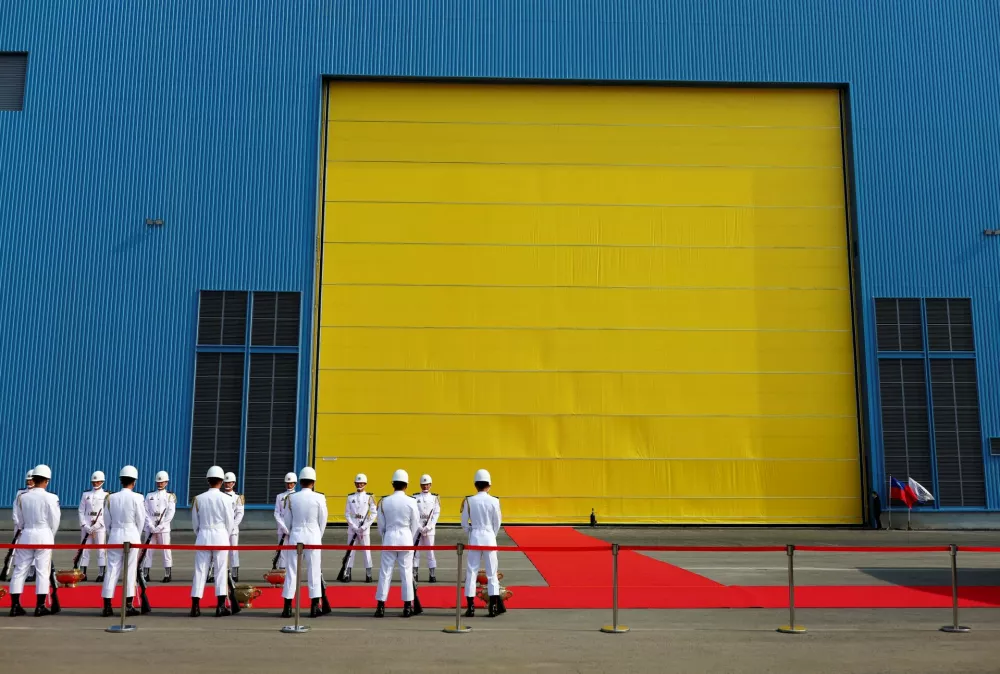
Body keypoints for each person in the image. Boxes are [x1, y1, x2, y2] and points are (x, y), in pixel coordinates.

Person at [8, 464, 60, 617]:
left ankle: (15, 605)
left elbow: (20, 521)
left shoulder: (22, 497)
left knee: (19, 570)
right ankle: (40, 606)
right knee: (42, 571)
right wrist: (51, 535)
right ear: (46, 480)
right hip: (44, 534)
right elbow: (54, 521)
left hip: (26, 534)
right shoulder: (51, 497)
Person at [280, 467, 328, 619]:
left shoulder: (291, 498)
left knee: (292, 571)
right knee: (314, 571)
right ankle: (314, 606)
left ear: (300, 482)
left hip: (296, 536)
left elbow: (287, 521)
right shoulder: (320, 498)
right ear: (313, 482)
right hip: (313, 535)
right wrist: (318, 535)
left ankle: (287, 607)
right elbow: (323, 520)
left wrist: (294, 531)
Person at [100, 466, 148, 617]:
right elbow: (141, 520)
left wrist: (112, 532)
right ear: (134, 482)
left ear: (121, 480)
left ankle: (107, 605)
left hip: (115, 535)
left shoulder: (110, 498)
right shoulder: (138, 498)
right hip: (131, 534)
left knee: (112, 569)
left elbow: (106, 520)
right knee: (130, 570)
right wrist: (136, 534)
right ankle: (128, 605)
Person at [374, 469, 420, 618]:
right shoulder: (412, 501)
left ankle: (381, 605)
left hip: (389, 537)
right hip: (406, 537)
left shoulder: (384, 501)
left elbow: (381, 525)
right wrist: (408, 536)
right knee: (406, 572)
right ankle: (407, 606)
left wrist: (386, 535)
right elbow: (415, 523)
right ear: (406, 485)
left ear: (393, 484)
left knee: (385, 572)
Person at [190, 466, 236, 617]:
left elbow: (195, 524)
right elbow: (230, 522)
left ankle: (195, 606)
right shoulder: (226, 499)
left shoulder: (198, 498)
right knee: (221, 570)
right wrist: (224, 533)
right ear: (222, 481)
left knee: (200, 571)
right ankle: (221, 606)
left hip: (203, 535)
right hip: (221, 535)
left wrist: (201, 532)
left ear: (208, 480)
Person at [461, 468, 504, 618]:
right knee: (492, 573)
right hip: (489, 537)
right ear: (489, 485)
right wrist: (492, 534)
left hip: (475, 537)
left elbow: (464, 523)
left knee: (471, 572)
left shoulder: (469, 500)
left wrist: (472, 533)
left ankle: (470, 607)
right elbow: (497, 523)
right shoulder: (495, 501)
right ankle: (492, 607)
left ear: (475, 484)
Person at [142, 471, 176, 582]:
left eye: (162, 482)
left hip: (163, 528)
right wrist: (151, 525)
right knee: (148, 551)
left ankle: (167, 574)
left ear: (166, 482)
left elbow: (170, 513)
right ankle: (146, 573)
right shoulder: (149, 495)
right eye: (158, 482)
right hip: (150, 527)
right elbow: (145, 511)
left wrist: (161, 526)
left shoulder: (170, 496)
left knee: (166, 550)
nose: (160, 484)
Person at [344, 473, 376, 583]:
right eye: (357, 483)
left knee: (366, 551)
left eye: (361, 483)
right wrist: (353, 526)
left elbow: (373, 514)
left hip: (364, 530)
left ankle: (368, 572)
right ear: (354, 483)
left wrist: (364, 527)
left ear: (365, 484)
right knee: (350, 552)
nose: (359, 484)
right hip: (352, 529)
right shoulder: (350, 497)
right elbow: (347, 514)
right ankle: (347, 572)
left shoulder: (370, 497)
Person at [78, 470, 107, 583]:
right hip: (86, 527)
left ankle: (101, 573)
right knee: (85, 550)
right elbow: (81, 510)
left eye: (97, 481)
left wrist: (97, 525)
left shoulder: (106, 495)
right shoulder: (86, 494)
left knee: (101, 550)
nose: (95, 483)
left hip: (99, 526)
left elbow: (106, 512)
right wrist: (85, 525)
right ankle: (83, 573)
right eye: (93, 482)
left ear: (102, 481)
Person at [6, 469, 34, 583]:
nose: (29, 482)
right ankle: (16, 572)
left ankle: (31, 573)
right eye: (27, 480)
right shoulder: (20, 493)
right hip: (19, 527)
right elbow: (15, 509)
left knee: (31, 549)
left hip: (30, 527)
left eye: (31, 480)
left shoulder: (37, 493)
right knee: (17, 550)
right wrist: (18, 523)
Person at [413, 474, 441, 583]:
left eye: (427, 484)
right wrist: (418, 526)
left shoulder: (435, 498)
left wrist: (429, 526)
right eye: (423, 485)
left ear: (430, 485)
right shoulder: (415, 497)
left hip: (429, 529)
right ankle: (415, 573)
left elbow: (436, 513)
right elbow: (414, 514)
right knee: (416, 552)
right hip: (417, 529)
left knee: (430, 552)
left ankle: (432, 574)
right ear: (420, 485)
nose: (425, 486)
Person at [221, 472, 245, 581]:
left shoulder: (238, 497)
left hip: (233, 529)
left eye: (229, 482)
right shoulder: (219, 496)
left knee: (233, 551)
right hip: (221, 528)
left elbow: (240, 513)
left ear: (234, 483)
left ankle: (235, 573)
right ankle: (219, 572)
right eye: (225, 482)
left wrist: (233, 526)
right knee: (220, 551)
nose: (227, 484)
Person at [273, 472, 297, 569]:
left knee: (292, 551)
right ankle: (282, 571)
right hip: (282, 529)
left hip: (294, 528)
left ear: (295, 483)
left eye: (291, 483)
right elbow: (276, 513)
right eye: (287, 483)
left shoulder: (297, 496)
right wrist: (283, 527)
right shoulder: (280, 496)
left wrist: (292, 527)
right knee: (282, 551)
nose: (289, 485)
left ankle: (291, 571)